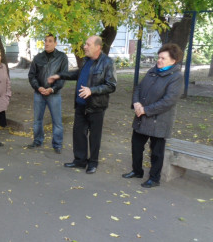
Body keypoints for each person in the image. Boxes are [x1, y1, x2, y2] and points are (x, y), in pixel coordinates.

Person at [48, 35, 117, 174]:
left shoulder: (107, 62)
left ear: (98, 47)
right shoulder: (86, 61)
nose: (84, 47)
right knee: (78, 133)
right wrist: (60, 75)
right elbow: (78, 74)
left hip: (96, 106)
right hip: (81, 105)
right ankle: (80, 161)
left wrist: (92, 90)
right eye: (85, 44)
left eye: (88, 44)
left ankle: (93, 163)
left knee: (94, 136)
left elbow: (111, 85)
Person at [122, 44, 184, 188]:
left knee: (156, 151)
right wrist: (136, 103)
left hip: (159, 120)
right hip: (141, 116)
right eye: (158, 57)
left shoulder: (176, 77)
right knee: (136, 146)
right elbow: (138, 87)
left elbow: (168, 101)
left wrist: (145, 110)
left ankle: (154, 178)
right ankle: (137, 171)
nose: (159, 60)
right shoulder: (153, 71)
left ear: (173, 60)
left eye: (163, 58)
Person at [26, 34, 68, 155]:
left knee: (57, 121)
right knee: (37, 120)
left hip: (54, 94)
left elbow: (63, 76)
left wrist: (52, 89)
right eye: (45, 41)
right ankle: (37, 141)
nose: (47, 43)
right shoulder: (38, 57)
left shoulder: (62, 57)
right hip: (39, 94)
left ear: (55, 43)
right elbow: (31, 75)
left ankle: (57, 144)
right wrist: (38, 87)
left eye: (50, 41)